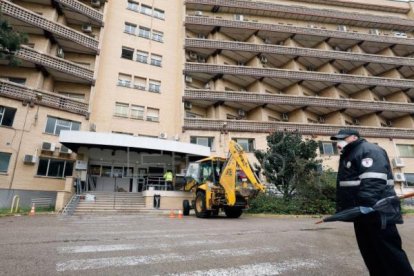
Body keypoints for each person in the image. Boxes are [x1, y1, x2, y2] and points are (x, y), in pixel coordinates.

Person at [331, 129, 414, 276]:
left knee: (389, 254)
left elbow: (374, 181)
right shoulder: (351, 153)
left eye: (343, 138)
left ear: (354, 137)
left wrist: (366, 206)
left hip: (377, 213)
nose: (339, 142)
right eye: (338, 140)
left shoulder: (368, 150)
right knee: (371, 254)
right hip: (363, 214)